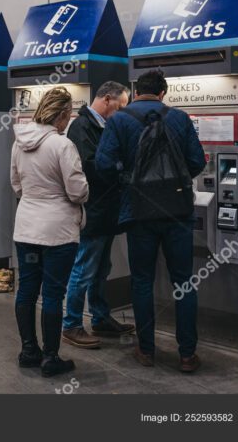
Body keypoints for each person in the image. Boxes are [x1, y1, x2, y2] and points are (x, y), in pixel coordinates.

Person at [96, 69, 206, 373]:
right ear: (162, 94)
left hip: (139, 212)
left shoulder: (119, 120)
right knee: (184, 282)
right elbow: (197, 160)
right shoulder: (179, 118)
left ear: (135, 91)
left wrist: (128, 179)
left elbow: (103, 163)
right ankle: (187, 355)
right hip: (177, 212)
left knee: (142, 282)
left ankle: (145, 350)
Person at [10, 87, 89, 377]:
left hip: (26, 228)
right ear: (63, 114)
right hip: (57, 232)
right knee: (54, 293)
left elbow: (16, 184)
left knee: (27, 289)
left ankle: (29, 351)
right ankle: (51, 358)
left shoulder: (19, 143)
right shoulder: (62, 145)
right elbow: (78, 191)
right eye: (69, 115)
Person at [62, 81, 135, 349]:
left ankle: (101, 318)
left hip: (105, 212)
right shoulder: (82, 127)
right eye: (121, 106)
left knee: (102, 269)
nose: (123, 111)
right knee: (83, 269)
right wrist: (120, 167)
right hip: (93, 212)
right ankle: (71, 324)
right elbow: (91, 167)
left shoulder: (102, 126)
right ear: (106, 99)